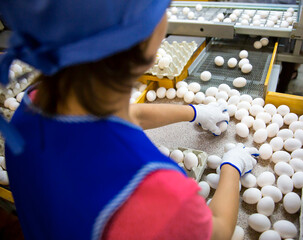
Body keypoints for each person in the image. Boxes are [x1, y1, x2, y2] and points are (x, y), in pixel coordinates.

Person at [0, 1, 256, 239]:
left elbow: (128, 116)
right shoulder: (156, 190)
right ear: (139, 40)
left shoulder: (30, 108)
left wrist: (193, 112)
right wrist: (231, 168)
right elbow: (218, 229)